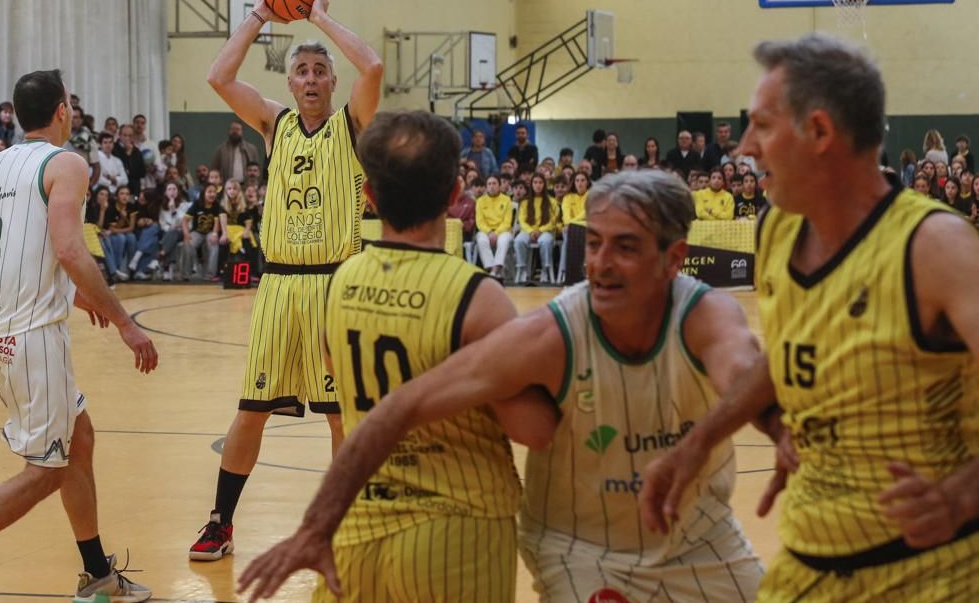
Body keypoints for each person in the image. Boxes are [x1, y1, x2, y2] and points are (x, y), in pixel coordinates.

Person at [241, 169, 770, 603]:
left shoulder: (706, 314)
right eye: (596, 244)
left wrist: (739, 437)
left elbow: (747, 374)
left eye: (626, 248)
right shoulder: (554, 331)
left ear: (675, 259)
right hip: (584, 549)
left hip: (704, 539)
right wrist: (316, 527)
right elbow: (400, 407)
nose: (602, 265)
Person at [641, 33, 979, 601]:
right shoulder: (776, 228)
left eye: (762, 126)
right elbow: (790, 350)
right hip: (807, 561)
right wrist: (700, 441)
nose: (744, 147)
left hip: (930, 572)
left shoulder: (935, 246)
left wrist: (962, 495)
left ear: (820, 132)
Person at [237, 110, 557, 602]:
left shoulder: (338, 285)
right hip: (455, 528)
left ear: (367, 197)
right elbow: (532, 429)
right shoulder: (477, 296)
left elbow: (338, 375)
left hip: (357, 524)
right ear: (456, 197)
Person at [0, 69, 156, 603]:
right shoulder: (66, 163)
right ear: (64, 110)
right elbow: (68, 249)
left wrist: (77, 298)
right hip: (31, 337)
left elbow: (20, 251)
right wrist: (127, 322)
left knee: (78, 441)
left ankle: (98, 576)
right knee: (45, 470)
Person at [191, 0, 383, 560]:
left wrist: (317, 15)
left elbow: (372, 67)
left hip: (334, 286)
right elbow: (218, 76)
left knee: (340, 418)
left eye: (319, 71)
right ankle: (221, 522)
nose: (310, 79)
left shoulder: (352, 126)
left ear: (330, 82)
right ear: (290, 81)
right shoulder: (275, 124)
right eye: (300, 71)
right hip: (278, 286)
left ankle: (340, 525)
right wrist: (258, 15)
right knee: (251, 409)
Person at [513, 172, 558, 284]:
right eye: (535, 182)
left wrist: (540, 231)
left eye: (540, 182)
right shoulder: (525, 202)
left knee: (545, 241)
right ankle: (522, 270)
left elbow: (553, 221)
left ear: (545, 184)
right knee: (519, 240)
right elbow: (522, 221)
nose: (538, 185)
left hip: (545, 231)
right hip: (528, 230)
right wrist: (531, 231)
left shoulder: (552, 201)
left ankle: (545, 270)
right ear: (531, 184)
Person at [181, 183, 221, 281]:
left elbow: (217, 222)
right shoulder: (196, 204)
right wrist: (186, 233)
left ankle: (210, 274)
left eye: (214, 192)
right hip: (197, 232)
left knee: (214, 245)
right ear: (204, 193)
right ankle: (186, 274)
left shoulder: (216, 205)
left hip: (210, 232)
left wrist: (215, 234)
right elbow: (184, 220)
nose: (212, 194)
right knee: (188, 244)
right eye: (209, 192)